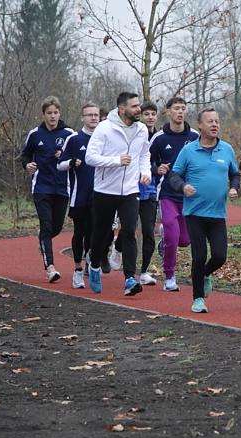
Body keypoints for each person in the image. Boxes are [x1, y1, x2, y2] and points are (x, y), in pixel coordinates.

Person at [168, 108, 239, 313]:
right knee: (199, 256)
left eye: (217, 121)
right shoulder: (189, 150)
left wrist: (234, 187)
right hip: (194, 213)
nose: (215, 124)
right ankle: (198, 299)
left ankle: (206, 274)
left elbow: (235, 174)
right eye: (210, 121)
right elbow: (174, 175)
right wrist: (183, 187)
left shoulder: (226, 149)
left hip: (217, 214)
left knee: (219, 256)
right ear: (200, 125)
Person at [85, 92, 152, 296]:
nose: (138, 109)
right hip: (105, 189)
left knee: (130, 230)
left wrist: (145, 172)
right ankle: (94, 265)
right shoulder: (105, 128)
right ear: (122, 109)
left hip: (130, 190)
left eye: (138, 105)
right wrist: (116, 160)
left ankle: (130, 279)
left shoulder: (141, 129)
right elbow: (90, 157)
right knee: (102, 232)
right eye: (134, 106)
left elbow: (144, 154)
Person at [20, 96, 75, 283]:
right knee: (46, 225)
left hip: (62, 187)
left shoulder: (69, 134)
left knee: (56, 227)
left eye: (56, 112)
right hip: (41, 186)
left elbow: (77, 157)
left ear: (60, 113)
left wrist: (65, 155)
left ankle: (44, 239)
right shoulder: (35, 134)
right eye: (49, 113)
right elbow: (25, 155)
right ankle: (50, 267)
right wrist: (27, 165)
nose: (53, 116)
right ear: (43, 115)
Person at [149, 97, 199, 292]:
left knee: (185, 240)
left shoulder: (195, 136)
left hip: (189, 194)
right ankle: (169, 276)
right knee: (171, 230)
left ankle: (165, 240)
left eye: (183, 108)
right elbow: (146, 160)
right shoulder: (159, 138)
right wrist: (156, 169)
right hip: (167, 193)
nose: (180, 112)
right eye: (176, 108)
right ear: (168, 112)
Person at [109, 100, 159, 285]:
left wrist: (154, 172)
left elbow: (160, 162)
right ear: (140, 116)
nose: (150, 117)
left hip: (150, 189)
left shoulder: (159, 137)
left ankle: (144, 271)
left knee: (148, 230)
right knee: (129, 228)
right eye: (146, 114)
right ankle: (117, 247)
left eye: (153, 114)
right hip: (131, 187)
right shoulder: (132, 134)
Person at [56, 102, 100, 288]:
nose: (93, 118)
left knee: (97, 233)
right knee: (80, 232)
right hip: (79, 194)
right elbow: (60, 164)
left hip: (101, 195)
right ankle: (77, 269)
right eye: (89, 115)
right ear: (82, 118)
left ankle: (92, 259)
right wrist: (72, 162)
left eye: (96, 115)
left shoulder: (105, 138)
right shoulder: (74, 139)